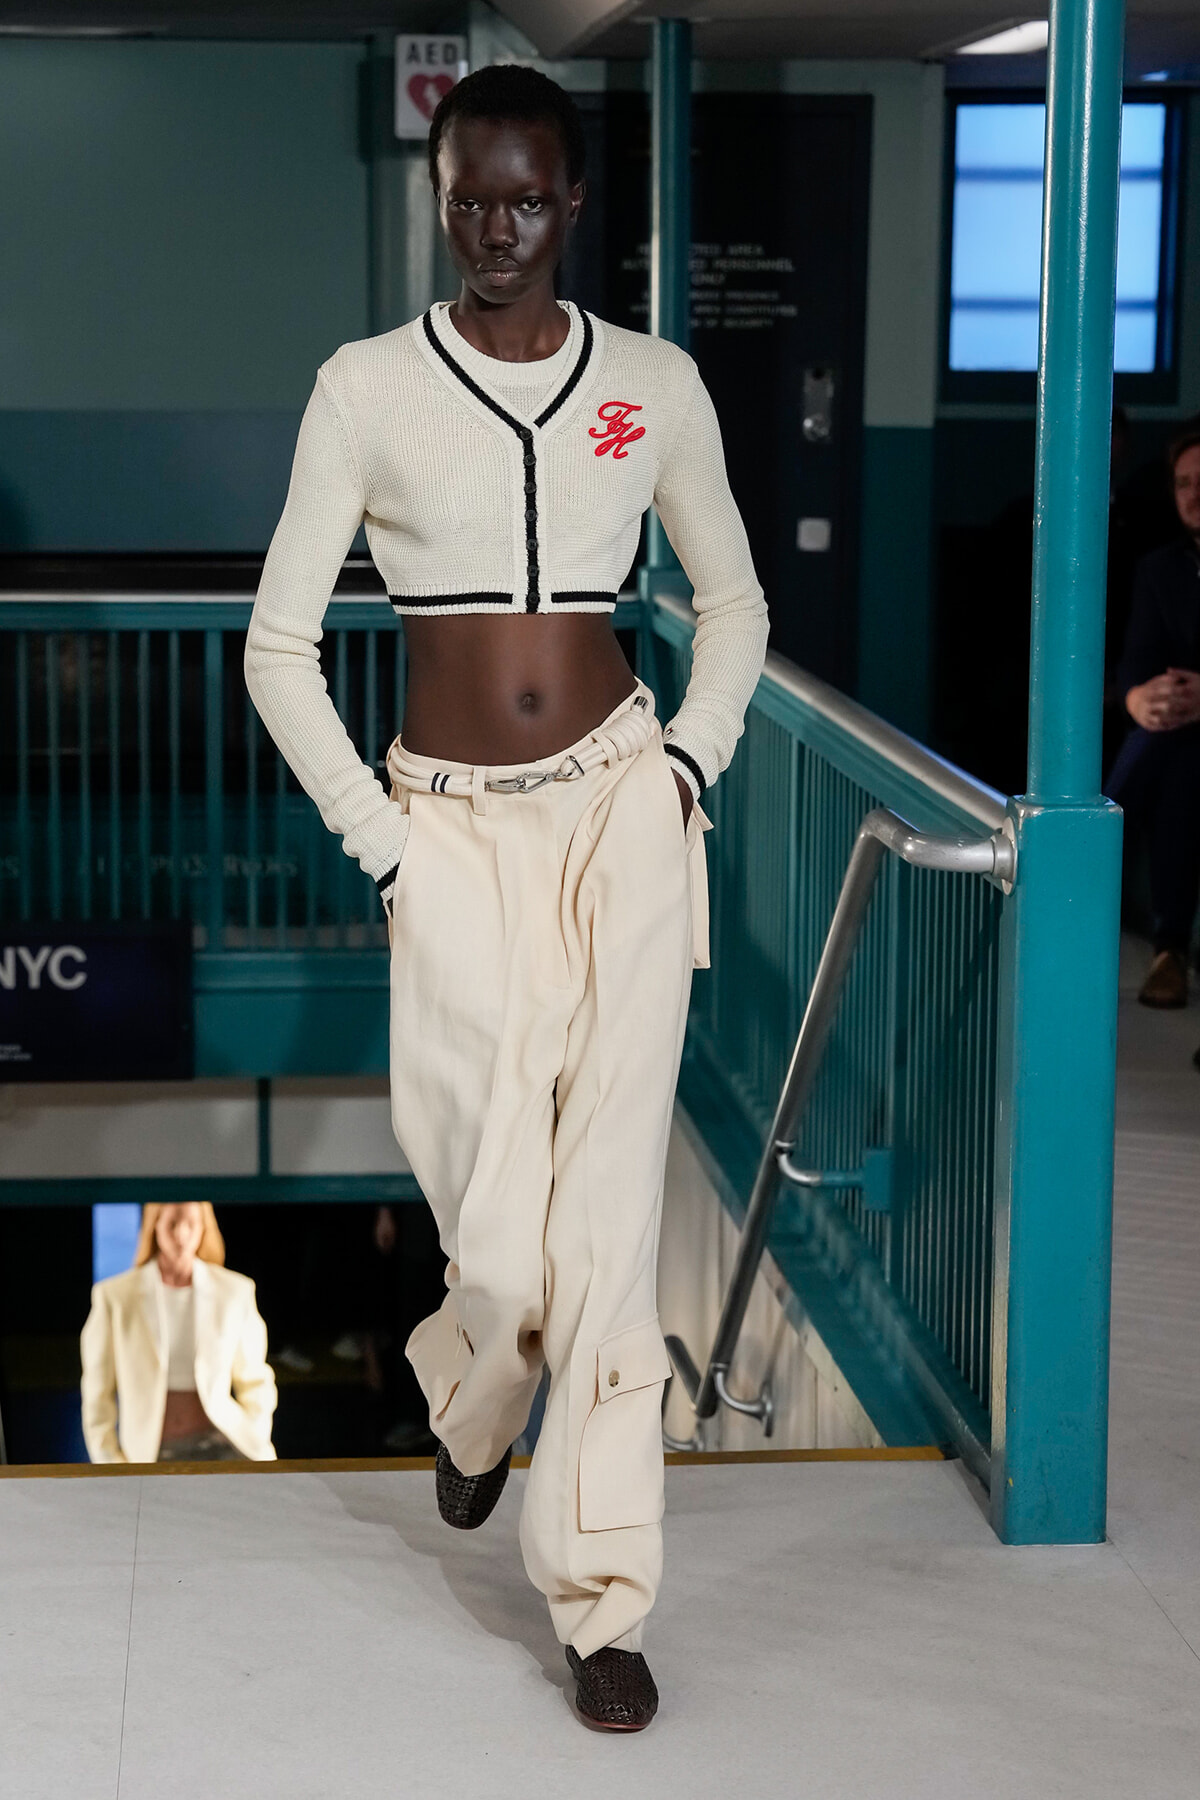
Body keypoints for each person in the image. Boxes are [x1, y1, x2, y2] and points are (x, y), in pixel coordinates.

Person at [245, 65, 767, 1731]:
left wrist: (685, 770)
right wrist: (385, 842)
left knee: (608, 1229)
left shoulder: (656, 386)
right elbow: (278, 648)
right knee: (499, 1233)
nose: (494, 229)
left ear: (573, 203)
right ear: (440, 196)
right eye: (468, 199)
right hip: (450, 835)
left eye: (526, 200)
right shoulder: (365, 390)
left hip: (623, 812)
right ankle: (472, 1394)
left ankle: (603, 1597)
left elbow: (735, 606)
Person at [1106, 423, 1200, 1009]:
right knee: (1171, 749)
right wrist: (1139, 698)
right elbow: (1135, 663)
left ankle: (1079, 861)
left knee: (1170, 751)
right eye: (1184, 483)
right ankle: (1170, 951)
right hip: (1180, 735)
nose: (1194, 494)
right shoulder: (1161, 568)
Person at [80, 1201, 277, 1464]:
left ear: (204, 1227)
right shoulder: (116, 1297)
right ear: (155, 1226)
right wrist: (111, 1464)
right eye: (172, 1224)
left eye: (191, 1224)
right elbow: (97, 1392)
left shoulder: (234, 1291)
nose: (182, 1234)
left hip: (226, 1446)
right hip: (151, 1456)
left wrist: (257, 1431)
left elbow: (256, 1380)